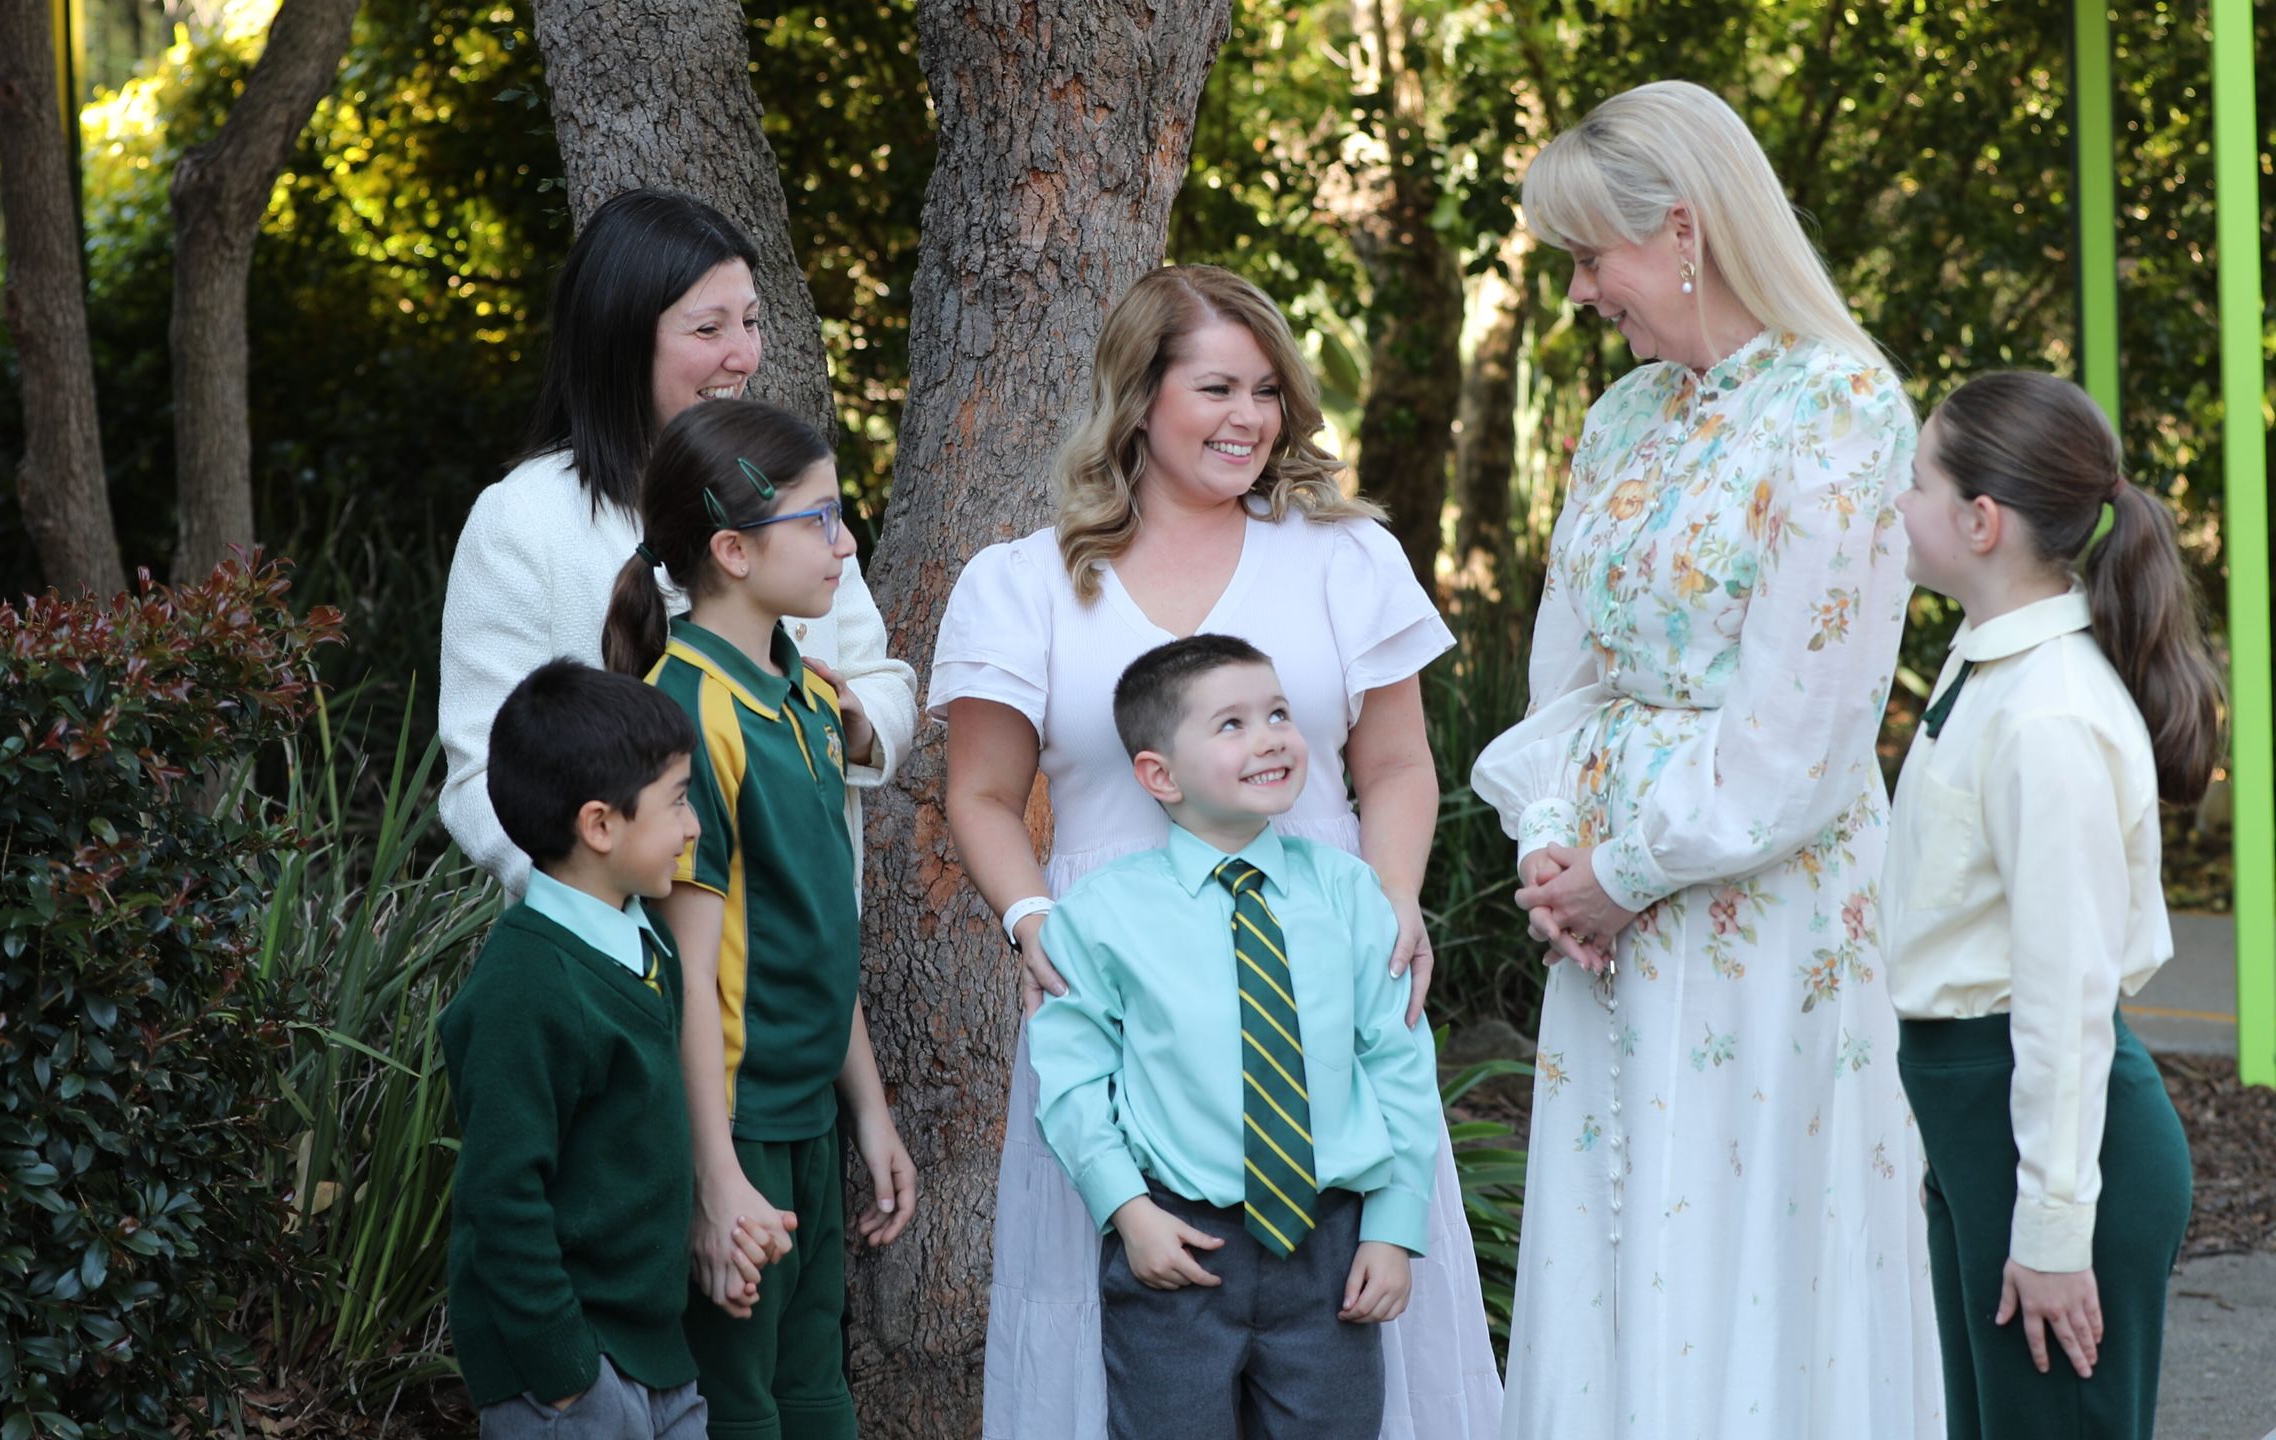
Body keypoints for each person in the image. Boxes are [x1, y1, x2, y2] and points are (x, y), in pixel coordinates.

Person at [933, 264, 1502, 1440]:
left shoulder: (1345, 558)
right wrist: (1034, 921)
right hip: (1124, 980)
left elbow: (1398, 767)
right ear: (1138, 398)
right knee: (1149, 1328)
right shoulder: (1026, 582)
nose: (1248, 417)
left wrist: (1392, 902)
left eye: (1266, 390)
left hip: (1320, 956)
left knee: (1345, 1304)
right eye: (1214, 388)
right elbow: (982, 795)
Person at [1469, 79, 1940, 1435]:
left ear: (1680, 228)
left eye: (1586, 257)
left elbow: (1809, 716)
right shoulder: (1621, 418)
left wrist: (1626, 867)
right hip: (1603, 923)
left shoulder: (1843, 404)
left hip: (1764, 902)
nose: (1577, 294)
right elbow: (1565, 664)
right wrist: (1552, 847)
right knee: (1617, 1224)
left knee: (1747, 1217)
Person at [1884, 371, 2215, 1440]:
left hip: (2057, 1149)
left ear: (1981, 521)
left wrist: (2055, 1230)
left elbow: (2066, 999)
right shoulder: (1985, 673)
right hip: (1987, 1130)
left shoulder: (2048, 715)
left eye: (1917, 479)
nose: (1897, 501)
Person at [1028, 634, 1445, 1440]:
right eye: (1232, 724)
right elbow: (1074, 1076)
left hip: (1333, 1250)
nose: (1272, 738)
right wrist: (1126, 1209)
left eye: (1279, 713)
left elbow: (1397, 1064)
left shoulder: (1352, 893)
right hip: (1179, 1246)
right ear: (1158, 774)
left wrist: (1394, 1228)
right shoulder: (1104, 916)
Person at [439, 188, 914, 893]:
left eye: (751, 323)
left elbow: (884, 680)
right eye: (708, 330)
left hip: (799, 954)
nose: (743, 355)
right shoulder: (523, 520)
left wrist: (856, 724)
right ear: (621, 336)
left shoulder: (780, 484)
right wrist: (602, 899)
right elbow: (482, 777)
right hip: (623, 970)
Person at [604, 398, 917, 1440]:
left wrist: (866, 1109)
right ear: (732, 551)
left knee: (817, 1390)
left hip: (808, 1118)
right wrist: (715, 1179)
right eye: (820, 520)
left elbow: (823, 930)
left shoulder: (813, 702)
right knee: (738, 1409)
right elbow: (688, 974)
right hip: (734, 1128)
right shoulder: (688, 712)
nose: (847, 540)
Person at [437, 659, 718, 1439]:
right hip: (567, 1378)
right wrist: (566, 1376)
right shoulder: (526, 986)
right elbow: (501, 1197)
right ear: (600, 825)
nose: (693, 826)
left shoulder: (645, 945)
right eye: (677, 802)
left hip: (656, 1359)